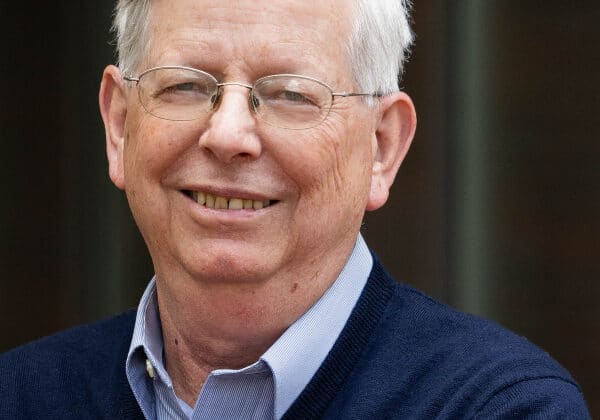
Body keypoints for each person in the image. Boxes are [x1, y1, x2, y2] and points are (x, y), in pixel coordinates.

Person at [0, 0, 591, 418]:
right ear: (121, 126)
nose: (228, 134)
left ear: (382, 147)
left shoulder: (500, 408)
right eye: (186, 85)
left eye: (289, 94)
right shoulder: (22, 398)